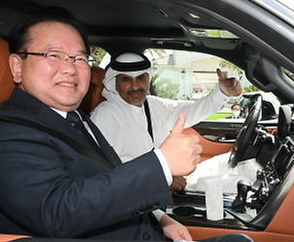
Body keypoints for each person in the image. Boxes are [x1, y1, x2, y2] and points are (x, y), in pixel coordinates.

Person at [0, 6, 200, 242]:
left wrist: (160, 217)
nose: (70, 68)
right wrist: (162, 165)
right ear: (17, 67)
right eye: (54, 55)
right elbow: (57, 213)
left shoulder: (76, 117)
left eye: (80, 58)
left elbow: (109, 179)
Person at [91, 53, 243, 191]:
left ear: (148, 80)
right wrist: (162, 179)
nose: (135, 86)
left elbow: (191, 110)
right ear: (115, 83)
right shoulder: (105, 116)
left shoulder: (152, 105)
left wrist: (223, 92)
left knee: (241, 164)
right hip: (151, 192)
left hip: (178, 177)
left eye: (141, 78)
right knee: (239, 183)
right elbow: (108, 173)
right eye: (126, 79)